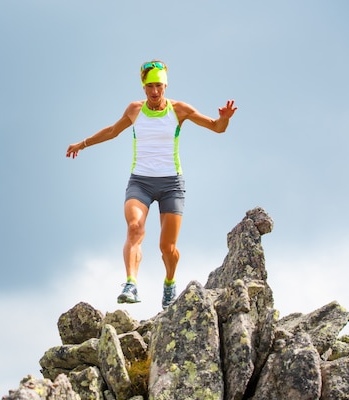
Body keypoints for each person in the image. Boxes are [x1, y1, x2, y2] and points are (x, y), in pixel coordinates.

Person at [66, 60, 237, 309]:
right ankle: (131, 283)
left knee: (167, 248)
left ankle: (169, 282)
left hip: (171, 185)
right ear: (143, 88)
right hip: (141, 182)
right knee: (135, 227)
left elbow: (216, 128)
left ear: (165, 85)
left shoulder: (179, 110)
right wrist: (82, 144)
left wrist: (224, 119)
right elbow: (113, 131)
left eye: (159, 85)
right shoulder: (135, 110)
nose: (154, 91)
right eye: (149, 86)